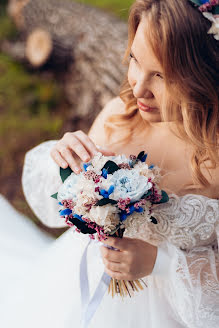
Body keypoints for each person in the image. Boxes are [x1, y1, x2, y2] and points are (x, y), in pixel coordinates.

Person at [0, 0, 218, 327]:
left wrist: (160, 262)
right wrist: (65, 163)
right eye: (134, 59)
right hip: (77, 289)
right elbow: (67, 203)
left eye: (161, 75)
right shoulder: (120, 116)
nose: (138, 87)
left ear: (204, 73)